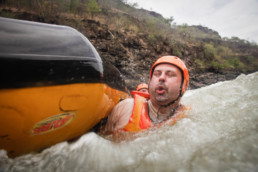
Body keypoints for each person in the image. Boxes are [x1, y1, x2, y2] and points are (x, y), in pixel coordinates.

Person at [105, 56, 189, 132]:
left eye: (170, 74)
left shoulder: (188, 118)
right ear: (149, 82)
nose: (161, 78)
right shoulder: (126, 107)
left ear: (184, 86)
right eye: (157, 74)